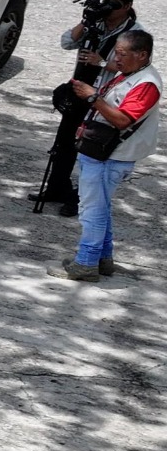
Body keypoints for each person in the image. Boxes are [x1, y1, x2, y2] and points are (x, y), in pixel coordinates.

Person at [56, 31, 159, 281]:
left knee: (92, 211)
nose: (116, 59)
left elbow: (123, 120)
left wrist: (92, 97)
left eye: (122, 54)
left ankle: (86, 263)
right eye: (116, 53)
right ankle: (103, 259)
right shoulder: (131, 73)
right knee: (100, 207)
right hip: (103, 154)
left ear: (142, 55)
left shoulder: (146, 84)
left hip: (111, 156)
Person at [36, 0, 143, 215]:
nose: (108, 9)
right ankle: (56, 188)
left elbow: (135, 68)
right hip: (79, 91)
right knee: (64, 144)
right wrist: (86, 21)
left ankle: (79, 199)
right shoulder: (96, 24)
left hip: (106, 98)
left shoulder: (135, 34)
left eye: (114, 5)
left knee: (91, 150)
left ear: (127, 7)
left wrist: (101, 62)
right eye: (106, 3)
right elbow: (67, 42)